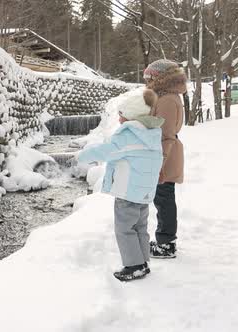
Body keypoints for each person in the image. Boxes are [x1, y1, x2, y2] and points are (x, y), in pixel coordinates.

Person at [78, 88, 164, 281]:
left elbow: (106, 151)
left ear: (132, 116)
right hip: (144, 193)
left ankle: (133, 266)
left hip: (127, 193)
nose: (119, 120)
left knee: (125, 229)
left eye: (121, 115)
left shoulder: (128, 135)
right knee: (140, 228)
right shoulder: (151, 135)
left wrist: (81, 156)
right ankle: (142, 262)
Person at [143, 59, 187, 259]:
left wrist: (159, 163)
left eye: (149, 77)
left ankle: (166, 244)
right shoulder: (166, 96)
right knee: (163, 198)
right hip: (164, 153)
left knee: (164, 199)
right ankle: (165, 240)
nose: (146, 81)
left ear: (160, 78)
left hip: (165, 155)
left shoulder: (168, 99)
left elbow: (165, 134)